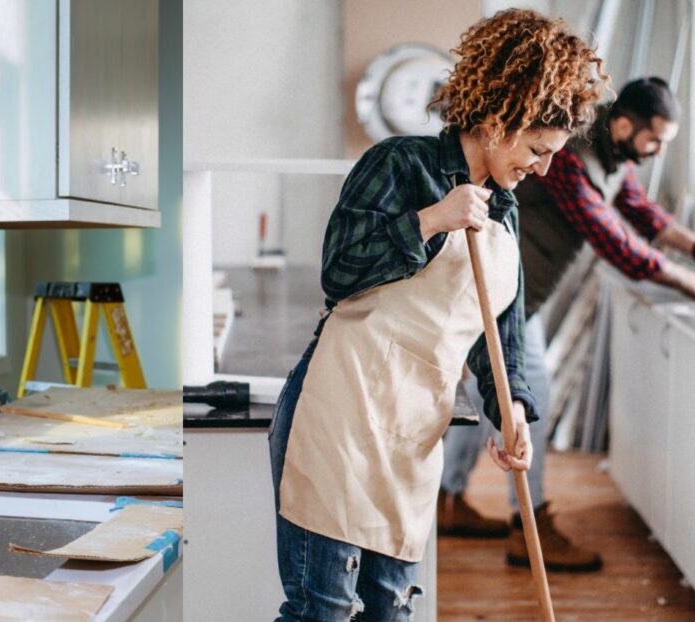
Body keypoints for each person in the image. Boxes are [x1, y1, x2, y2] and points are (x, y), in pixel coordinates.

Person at [268, 9, 608, 620]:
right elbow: (339, 272)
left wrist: (513, 412)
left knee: (391, 609)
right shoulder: (399, 164)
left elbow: (499, 337)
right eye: (538, 148)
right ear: (500, 118)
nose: (545, 167)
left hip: (411, 432)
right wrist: (430, 219)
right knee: (324, 609)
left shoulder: (505, 212)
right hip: (341, 414)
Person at [440, 77, 694, 572]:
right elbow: (612, 239)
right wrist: (689, 283)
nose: (659, 149)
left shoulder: (614, 159)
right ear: (624, 124)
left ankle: (448, 501)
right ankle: (527, 528)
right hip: (503, 294)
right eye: (656, 138)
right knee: (533, 399)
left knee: (490, 398)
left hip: (518, 297)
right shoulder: (571, 156)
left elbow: (642, 214)